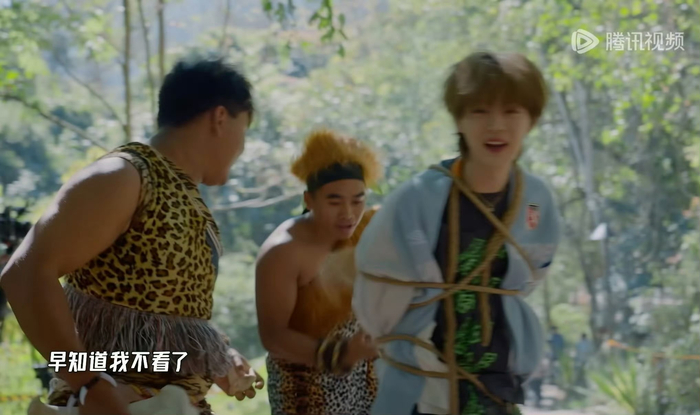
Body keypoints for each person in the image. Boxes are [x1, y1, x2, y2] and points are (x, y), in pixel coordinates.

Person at [0, 57, 264, 415]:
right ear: (220, 118)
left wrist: (214, 354)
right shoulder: (124, 176)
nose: (242, 147)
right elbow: (23, 276)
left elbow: (151, 327)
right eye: (244, 129)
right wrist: (90, 384)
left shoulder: (186, 199)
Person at [352, 51, 561, 415]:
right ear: (459, 118)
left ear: (531, 119)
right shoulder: (415, 199)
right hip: (419, 386)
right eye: (479, 111)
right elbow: (376, 293)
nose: (496, 125)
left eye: (512, 111)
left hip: (496, 387)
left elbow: (530, 276)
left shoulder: (536, 199)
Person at [255, 130, 382, 415]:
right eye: (335, 202)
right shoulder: (283, 253)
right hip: (305, 394)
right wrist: (341, 354)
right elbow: (273, 337)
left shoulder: (366, 233)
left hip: (362, 384)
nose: (348, 213)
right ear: (309, 200)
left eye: (357, 200)